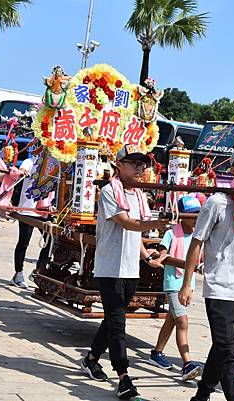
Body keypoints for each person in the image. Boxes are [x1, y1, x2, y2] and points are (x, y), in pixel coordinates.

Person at [179, 142, 234, 401]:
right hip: (219, 288)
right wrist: (186, 283)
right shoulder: (217, 202)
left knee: (223, 348)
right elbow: (197, 242)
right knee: (230, 353)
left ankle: (202, 395)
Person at [80, 145, 168, 399]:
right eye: (133, 163)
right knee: (118, 324)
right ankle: (124, 377)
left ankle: (92, 358)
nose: (140, 167)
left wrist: (147, 256)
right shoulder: (109, 191)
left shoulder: (139, 195)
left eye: (143, 163)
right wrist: (158, 223)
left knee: (113, 318)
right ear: (119, 165)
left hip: (130, 268)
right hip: (110, 268)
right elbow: (127, 222)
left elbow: (136, 233)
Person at [146, 195, 203, 382]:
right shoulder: (172, 232)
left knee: (171, 319)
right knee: (182, 321)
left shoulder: (199, 234)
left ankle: (156, 353)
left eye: (198, 214)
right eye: (192, 214)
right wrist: (162, 255)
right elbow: (162, 249)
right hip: (173, 283)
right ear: (182, 215)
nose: (196, 218)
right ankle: (187, 364)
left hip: (188, 283)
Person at [11, 151, 53, 288]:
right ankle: (18, 273)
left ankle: (39, 271)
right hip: (27, 209)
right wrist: (21, 172)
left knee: (50, 241)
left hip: (44, 210)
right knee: (23, 242)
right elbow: (22, 170)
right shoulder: (30, 162)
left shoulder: (55, 164)